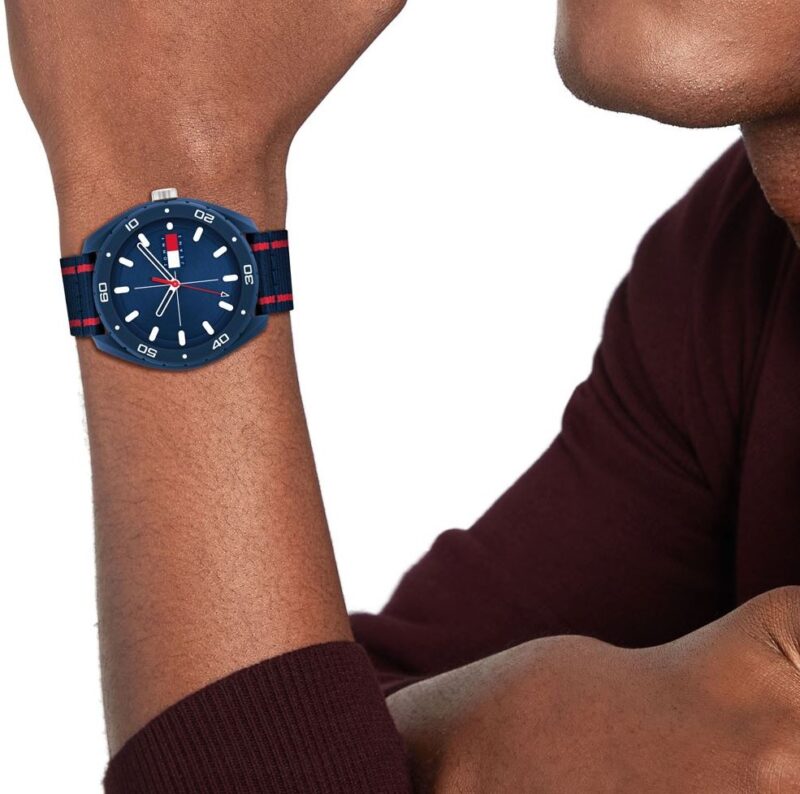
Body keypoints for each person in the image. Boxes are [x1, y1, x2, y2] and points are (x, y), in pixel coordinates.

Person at [6, 1, 800, 791]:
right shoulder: (734, 269)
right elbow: (312, 716)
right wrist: (487, 738)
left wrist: (162, 157)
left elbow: (283, 742)